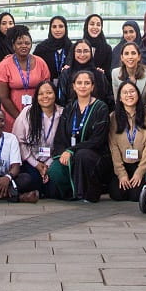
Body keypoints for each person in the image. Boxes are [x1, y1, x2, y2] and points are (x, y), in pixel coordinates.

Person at [52, 69, 111, 201]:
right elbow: (61, 135)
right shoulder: (69, 108)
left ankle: (86, 193)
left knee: (82, 155)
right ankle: (69, 192)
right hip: (70, 153)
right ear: (74, 86)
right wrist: (63, 152)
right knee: (55, 170)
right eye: (79, 83)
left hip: (94, 154)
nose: (83, 86)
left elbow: (98, 139)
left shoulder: (101, 108)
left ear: (92, 86)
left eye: (87, 83)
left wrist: (72, 150)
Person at [12, 81, 64, 198]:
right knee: (32, 180)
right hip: (30, 159)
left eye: (49, 93)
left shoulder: (62, 113)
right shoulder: (28, 112)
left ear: (55, 94)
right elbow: (19, 141)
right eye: (41, 94)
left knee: (53, 187)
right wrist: (36, 164)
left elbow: (63, 143)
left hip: (53, 159)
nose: (45, 96)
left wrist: (48, 164)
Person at [108, 79, 146, 200]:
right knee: (117, 195)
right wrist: (121, 173)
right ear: (120, 98)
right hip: (123, 164)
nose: (129, 95)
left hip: (141, 164)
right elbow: (113, 147)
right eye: (125, 93)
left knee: (136, 196)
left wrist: (140, 172)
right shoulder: (113, 117)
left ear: (138, 95)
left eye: (132, 91)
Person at [0, 26, 51, 118]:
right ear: (13, 46)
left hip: (37, 112)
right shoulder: (4, 66)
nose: (24, 46)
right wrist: (20, 118)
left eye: (27, 43)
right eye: (19, 43)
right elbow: (2, 97)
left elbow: (47, 90)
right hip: (12, 114)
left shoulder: (41, 63)